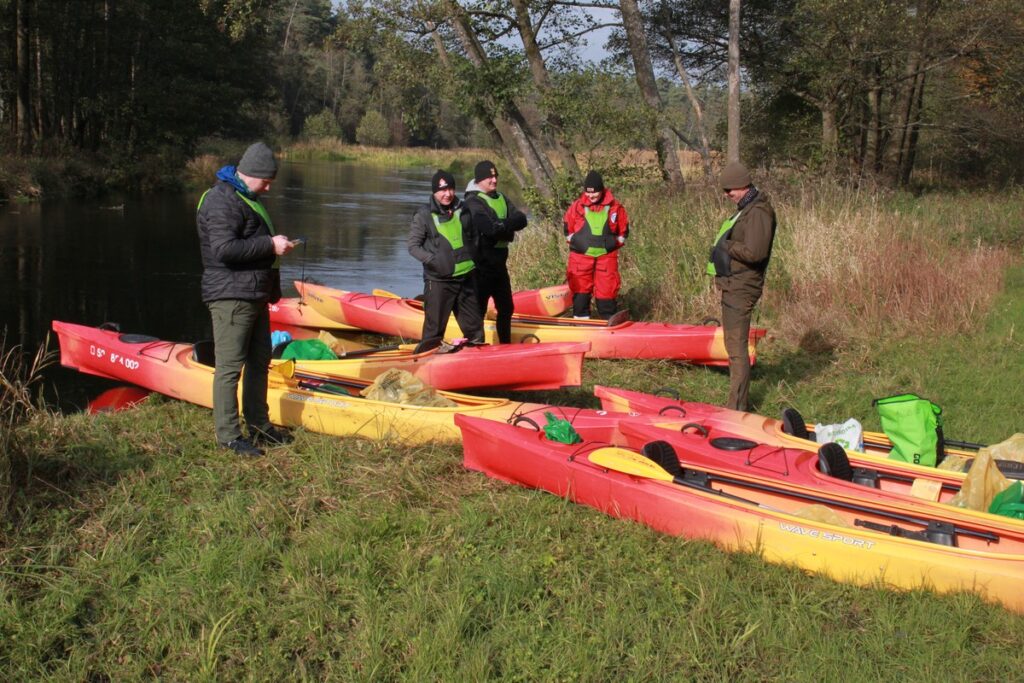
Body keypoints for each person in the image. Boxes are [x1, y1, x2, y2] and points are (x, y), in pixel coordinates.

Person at [197, 141, 296, 457]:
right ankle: (228, 436)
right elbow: (223, 249)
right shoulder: (221, 200)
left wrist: (274, 250)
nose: (268, 187)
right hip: (230, 296)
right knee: (229, 367)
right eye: (265, 181)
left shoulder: (245, 197)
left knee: (259, 361)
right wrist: (270, 245)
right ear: (250, 173)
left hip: (253, 294)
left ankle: (259, 426)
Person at [707, 161, 776, 412]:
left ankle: (736, 408)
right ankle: (736, 403)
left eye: (729, 190)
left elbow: (755, 252)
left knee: (736, 348)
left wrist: (726, 245)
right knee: (732, 345)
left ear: (742, 186)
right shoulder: (746, 209)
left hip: (742, 286)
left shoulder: (758, 212)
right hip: (733, 283)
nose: (727, 195)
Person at [407, 169, 484, 345]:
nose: (447, 194)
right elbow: (413, 246)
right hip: (439, 281)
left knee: (475, 330)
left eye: (450, 189)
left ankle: (475, 356)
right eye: (442, 190)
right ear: (435, 191)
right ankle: (428, 358)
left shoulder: (464, 209)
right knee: (433, 332)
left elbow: (475, 236)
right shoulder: (423, 215)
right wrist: (434, 261)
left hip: (467, 279)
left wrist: (475, 256)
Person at [463, 160, 529, 343]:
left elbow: (522, 219)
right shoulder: (473, 201)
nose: (494, 180)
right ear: (479, 180)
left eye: (495, 176)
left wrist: (501, 225)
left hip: (499, 266)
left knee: (506, 308)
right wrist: (507, 227)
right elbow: (488, 228)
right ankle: (476, 345)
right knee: (478, 310)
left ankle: (505, 345)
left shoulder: (501, 197)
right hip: (480, 267)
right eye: (489, 177)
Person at [562, 171, 629, 319]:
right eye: (588, 192)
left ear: (602, 190)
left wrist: (611, 245)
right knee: (580, 292)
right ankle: (581, 322)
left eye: (594, 192)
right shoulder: (576, 207)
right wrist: (578, 243)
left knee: (607, 291)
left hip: (606, 258)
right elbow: (567, 230)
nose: (591, 196)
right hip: (580, 258)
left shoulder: (615, 207)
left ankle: (608, 324)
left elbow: (623, 232)